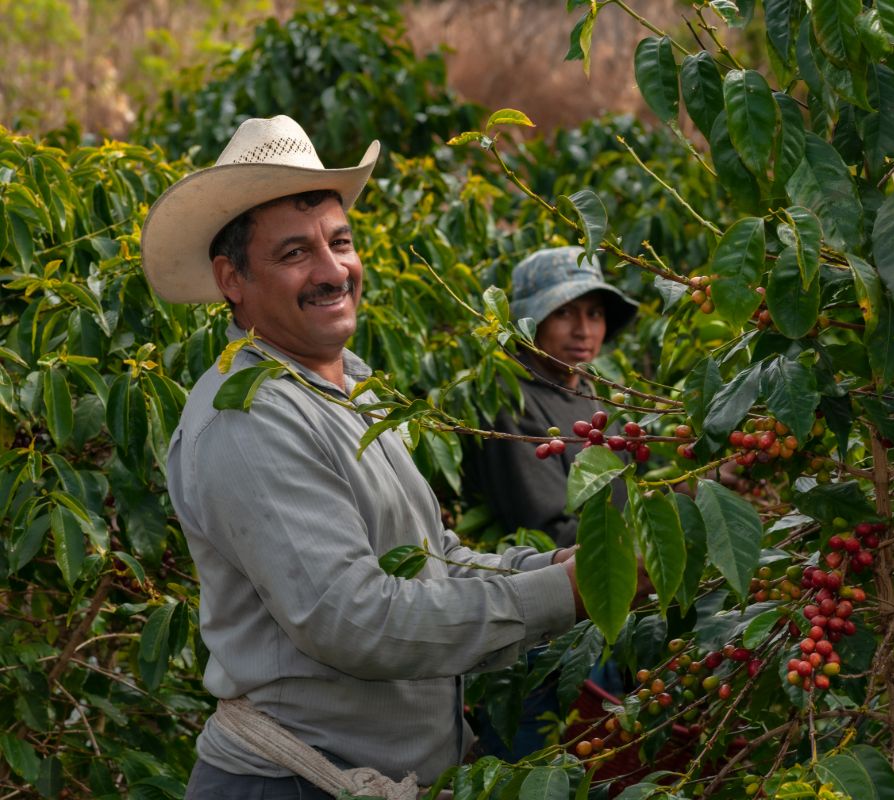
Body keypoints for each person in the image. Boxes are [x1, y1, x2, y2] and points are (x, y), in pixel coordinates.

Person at [140, 115, 588, 798]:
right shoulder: (249, 417)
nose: (332, 271)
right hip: (294, 784)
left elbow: (428, 557)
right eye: (294, 254)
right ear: (232, 278)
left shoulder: (357, 384)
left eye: (341, 242)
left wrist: (550, 567)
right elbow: (355, 620)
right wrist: (565, 595)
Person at [464, 246, 638, 547]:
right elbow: (552, 532)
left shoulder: (592, 391)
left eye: (594, 313)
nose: (583, 331)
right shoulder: (511, 401)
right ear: (531, 321)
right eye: (563, 312)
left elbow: (632, 491)